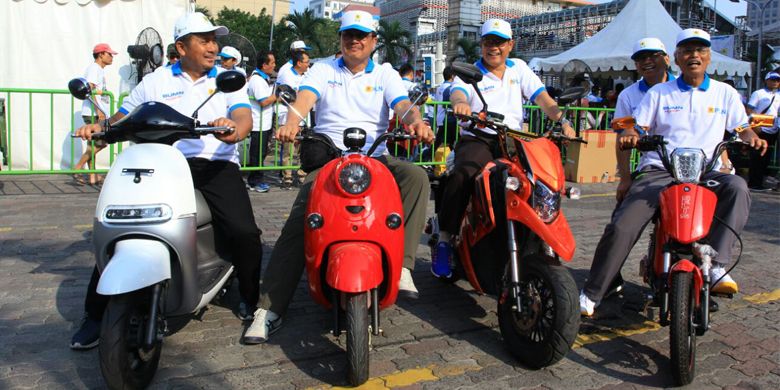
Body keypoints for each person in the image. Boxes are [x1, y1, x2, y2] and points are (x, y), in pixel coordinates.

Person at [70, 12, 263, 349]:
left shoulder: (228, 78)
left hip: (215, 165)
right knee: (126, 226)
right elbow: (125, 115)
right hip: (165, 165)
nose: (212, 46)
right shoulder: (156, 81)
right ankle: (97, 314)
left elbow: (243, 116)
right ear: (181, 46)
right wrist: (100, 128)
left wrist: (234, 129)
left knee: (244, 231)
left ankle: (249, 295)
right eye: (204, 39)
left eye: (214, 40)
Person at [243, 10, 434, 344]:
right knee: (303, 215)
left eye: (361, 35)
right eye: (348, 34)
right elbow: (305, 99)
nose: (354, 40)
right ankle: (268, 308)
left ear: (374, 41)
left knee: (416, 176)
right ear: (341, 39)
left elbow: (403, 105)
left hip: (375, 157)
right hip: (331, 158)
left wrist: (415, 122)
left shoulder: (386, 73)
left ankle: (402, 266)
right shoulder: (323, 70)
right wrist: (292, 122)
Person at [579, 29, 768, 317]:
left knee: (737, 188)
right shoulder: (658, 93)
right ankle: (593, 291)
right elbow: (637, 126)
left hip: (706, 172)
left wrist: (752, 137)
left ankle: (715, 263)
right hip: (661, 171)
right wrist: (630, 134)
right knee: (622, 225)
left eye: (700, 50)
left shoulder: (725, 92)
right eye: (687, 51)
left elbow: (741, 127)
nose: (694, 55)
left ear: (708, 57)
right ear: (677, 58)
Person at [432, 19, 575, 278]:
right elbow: (457, 93)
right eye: (488, 42)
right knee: (464, 174)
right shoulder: (470, 72)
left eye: (498, 42)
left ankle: (538, 238)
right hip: (479, 137)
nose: (493, 47)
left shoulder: (519, 68)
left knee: (540, 181)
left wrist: (562, 121)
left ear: (510, 45)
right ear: (481, 45)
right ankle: (445, 239)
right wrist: (462, 105)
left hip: (515, 141)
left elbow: (542, 98)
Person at [593, 37, 675, 297]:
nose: (647, 61)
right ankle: (608, 279)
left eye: (653, 55)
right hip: (651, 170)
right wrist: (625, 178)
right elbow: (622, 139)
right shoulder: (629, 95)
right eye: (641, 58)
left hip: (691, 169)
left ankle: (706, 276)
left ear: (667, 59)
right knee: (620, 222)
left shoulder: (683, 86)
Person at [73, 43, 116, 186]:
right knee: (102, 143)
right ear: (101, 54)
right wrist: (99, 110)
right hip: (94, 113)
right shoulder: (94, 69)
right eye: (109, 54)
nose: (111, 57)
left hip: (95, 112)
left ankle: (92, 176)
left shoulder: (99, 70)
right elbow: (88, 90)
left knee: (92, 145)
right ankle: (78, 167)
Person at [276, 50, 310, 189]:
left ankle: (301, 175)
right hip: (288, 117)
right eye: (306, 61)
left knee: (301, 149)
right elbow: (290, 96)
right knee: (288, 149)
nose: (308, 64)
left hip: (303, 118)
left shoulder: (307, 75)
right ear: (299, 63)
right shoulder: (287, 74)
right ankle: (287, 177)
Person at [246, 49, 277, 193]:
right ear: (264, 65)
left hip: (264, 123)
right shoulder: (257, 80)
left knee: (262, 152)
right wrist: (278, 96)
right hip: (258, 123)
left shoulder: (263, 78)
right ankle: (255, 181)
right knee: (257, 154)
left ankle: (256, 178)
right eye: (272, 63)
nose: (274, 65)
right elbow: (263, 101)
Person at [745, 72, 780, 191]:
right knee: (757, 157)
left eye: (777, 80)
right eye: (773, 79)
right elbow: (749, 109)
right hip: (760, 129)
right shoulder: (758, 93)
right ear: (766, 80)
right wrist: (755, 126)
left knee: (766, 158)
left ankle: (760, 182)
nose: (775, 82)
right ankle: (754, 183)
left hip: (774, 130)